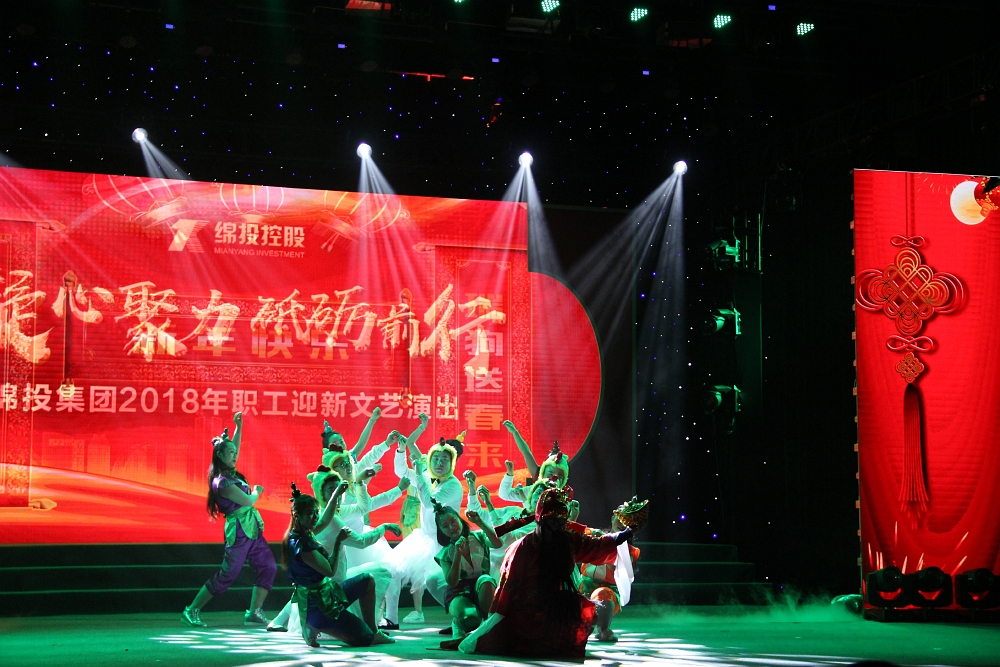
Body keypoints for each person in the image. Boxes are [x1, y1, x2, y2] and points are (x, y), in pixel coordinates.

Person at [455, 486, 631, 658]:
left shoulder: (568, 540)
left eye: (561, 523)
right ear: (541, 521)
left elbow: (596, 545)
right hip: (525, 611)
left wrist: (627, 532)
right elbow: (507, 587)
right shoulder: (523, 548)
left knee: (584, 609)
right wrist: (495, 620)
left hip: (555, 603)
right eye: (553, 523)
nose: (558, 528)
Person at [182, 412, 276, 628]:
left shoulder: (231, 474)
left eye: (235, 452)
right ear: (220, 455)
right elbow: (249, 501)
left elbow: (235, 447)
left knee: (269, 566)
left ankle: (254, 611)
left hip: (253, 529)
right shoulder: (221, 482)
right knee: (228, 574)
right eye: (231, 453)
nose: (235, 455)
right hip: (239, 531)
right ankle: (191, 609)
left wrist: (239, 427)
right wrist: (257, 491)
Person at [281, 482, 396, 648]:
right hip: (321, 606)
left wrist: (335, 495)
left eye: (316, 512)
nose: (315, 517)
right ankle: (316, 624)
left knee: (367, 580)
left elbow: (325, 519)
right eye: (310, 514)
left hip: (329, 594)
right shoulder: (302, 546)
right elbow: (330, 570)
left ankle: (373, 631)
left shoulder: (303, 532)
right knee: (364, 639)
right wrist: (338, 542)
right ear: (297, 516)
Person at [385, 414, 464, 626]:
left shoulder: (453, 485)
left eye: (444, 460)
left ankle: (462, 617)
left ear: (451, 463)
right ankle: (391, 618)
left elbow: (429, 502)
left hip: (445, 542)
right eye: (436, 459)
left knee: (441, 583)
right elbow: (401, 472)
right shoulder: (428, 476)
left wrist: (420, 475)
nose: (439, 463)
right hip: (424, 537)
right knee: (393, 570)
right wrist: (401, 450)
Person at [432, 500, 502, 640]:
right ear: (441, 531)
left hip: (481, 587)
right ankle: (458, 623)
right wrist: (457, 554)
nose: (451, 527)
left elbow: (498, 543)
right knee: (471, 619)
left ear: (459, 519)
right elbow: (452, 582)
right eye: (445, 526)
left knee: (486, 580)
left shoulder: (479, 537)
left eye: (453, 521)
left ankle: (488, 627)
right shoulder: (445, 553)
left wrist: (480, 522)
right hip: (459, 593)